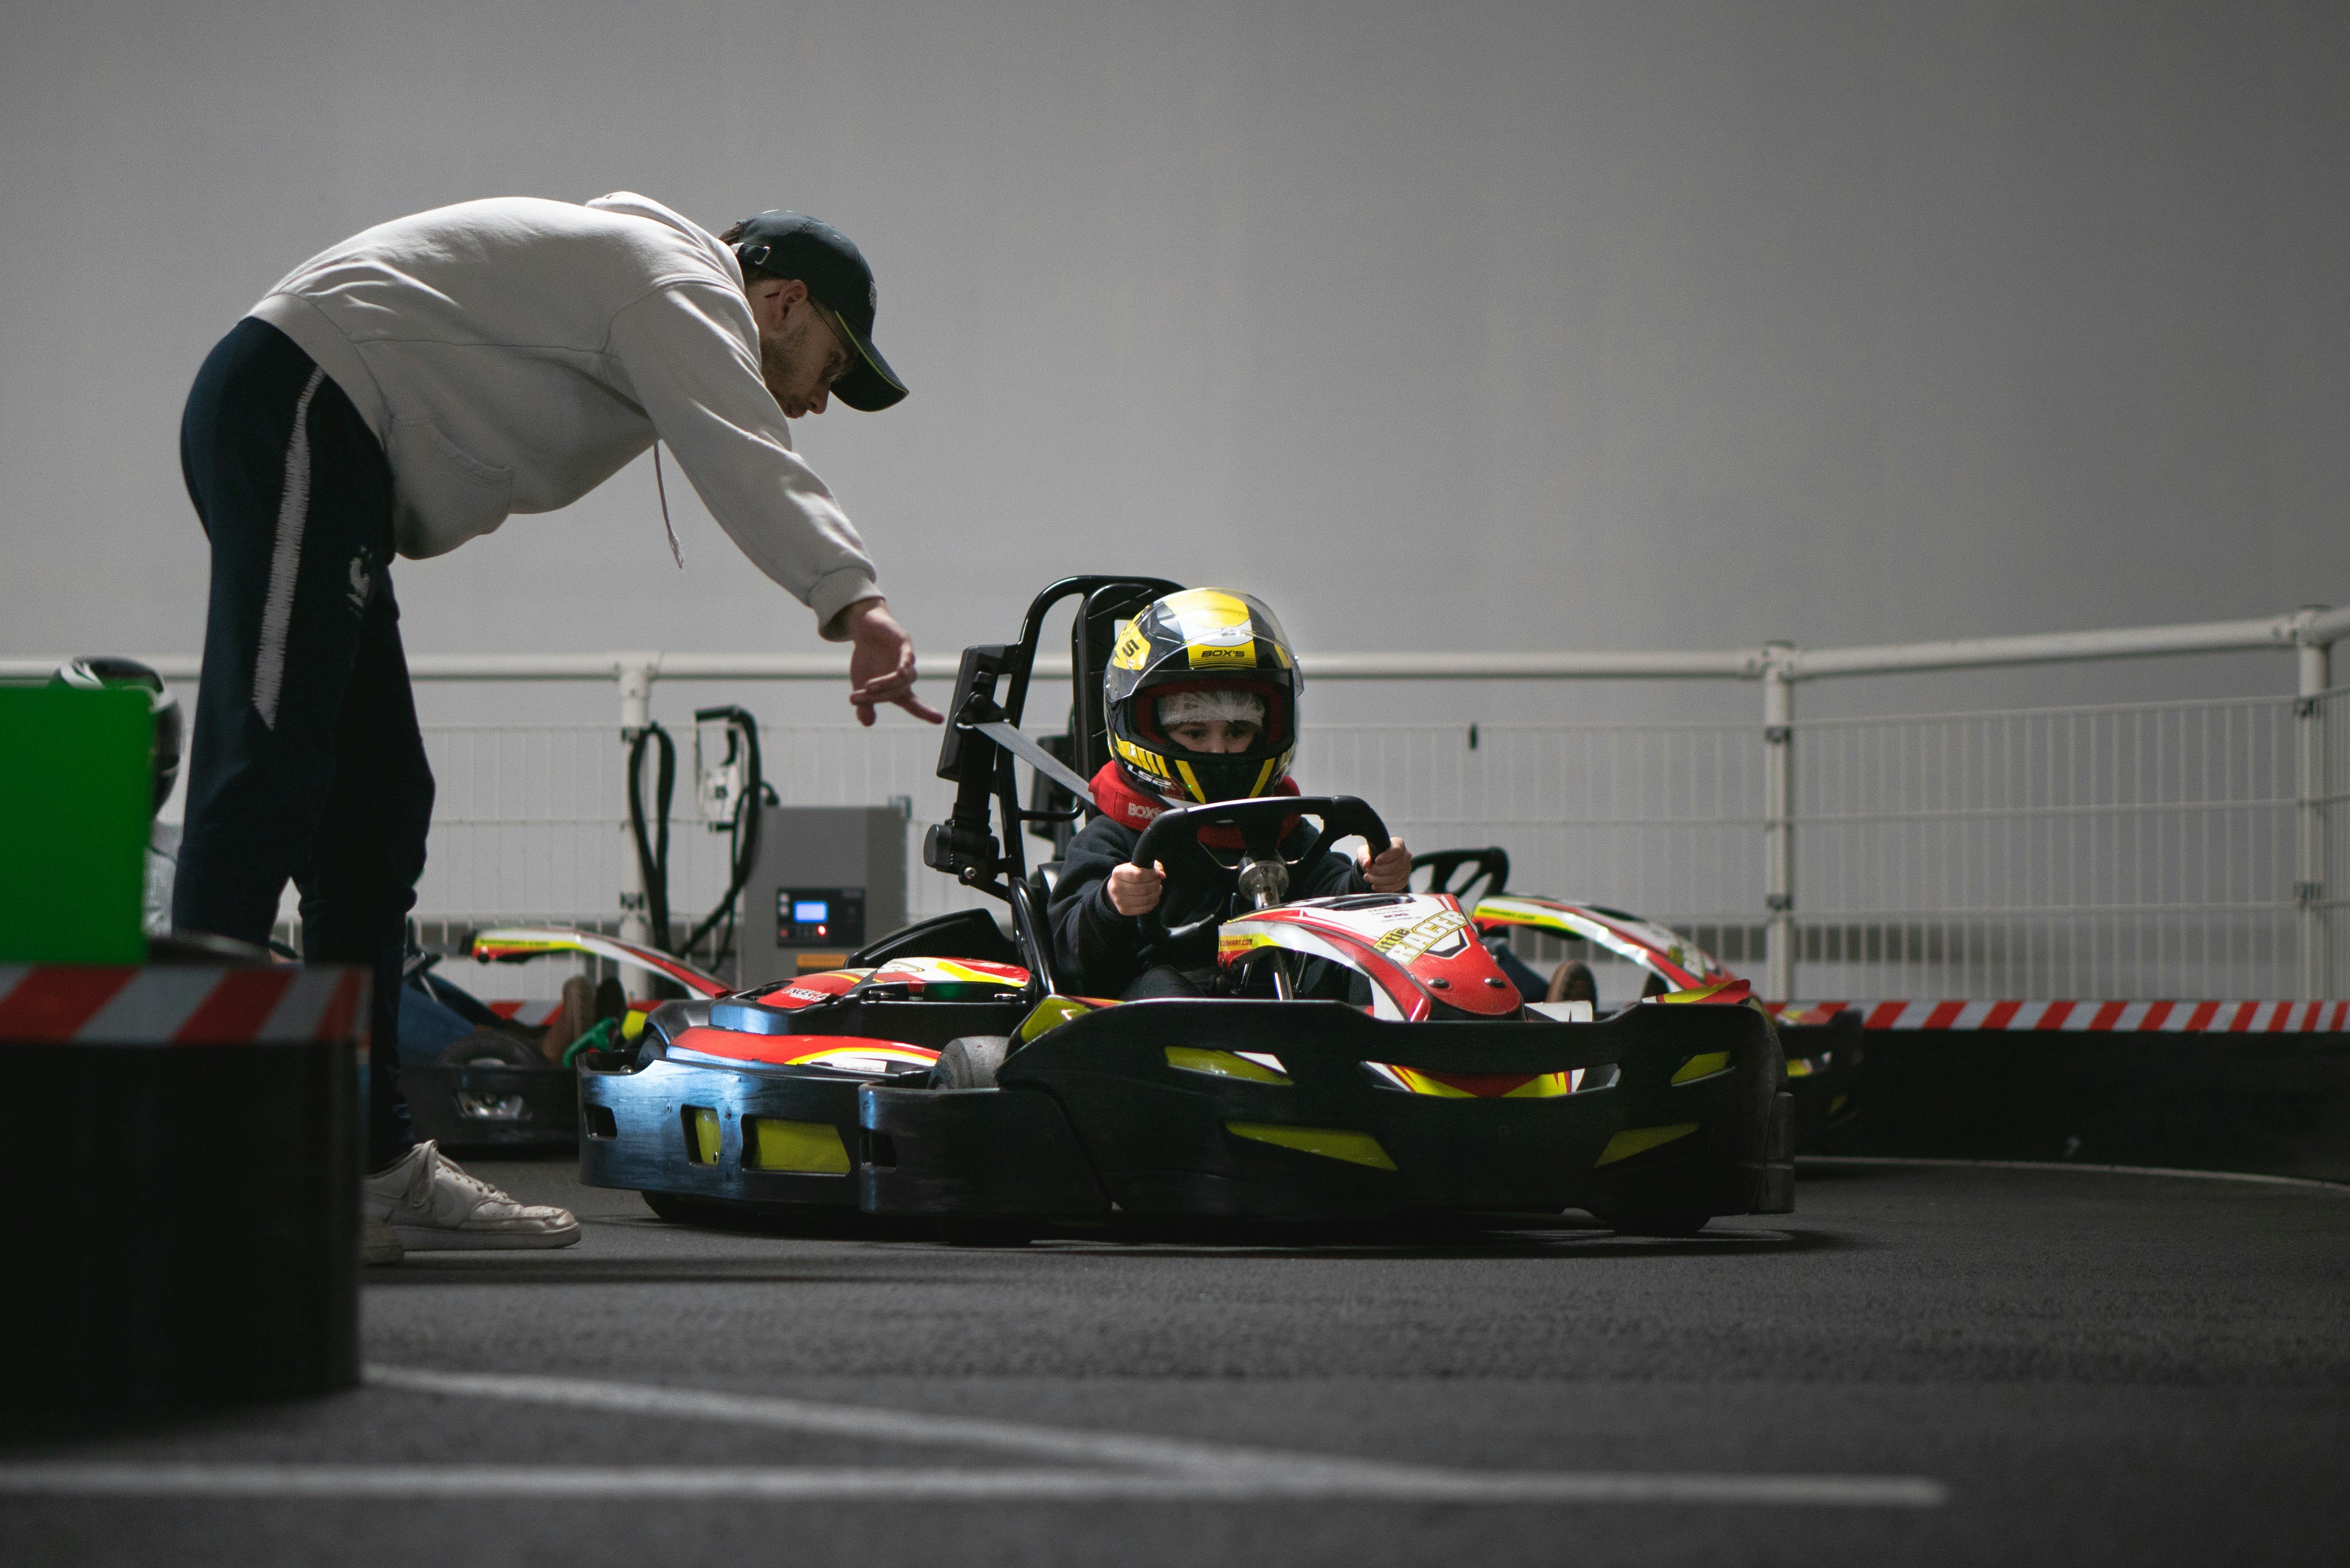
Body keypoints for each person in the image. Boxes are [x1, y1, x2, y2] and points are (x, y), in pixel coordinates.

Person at [173, 194, 943, 1263]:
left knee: (378, 810)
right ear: (782, 298)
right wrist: (858, 602)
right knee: (265, 769)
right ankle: (189, 1165)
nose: (820, 401)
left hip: (336, 440)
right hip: (300, 398)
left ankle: (368, 1159)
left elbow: (741, 432)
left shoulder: (645, 284)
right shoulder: (678, 282)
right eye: (830, 365)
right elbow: (748, 452)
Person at [1048, 588, 1413, 998]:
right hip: (1166, 1018)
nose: (1218, 751)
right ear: (1146, 730)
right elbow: (1070, 953)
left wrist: (1374, 878)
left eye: (1238, 732)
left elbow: (1334, 901)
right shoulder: (1114, 836)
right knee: (1161, 990)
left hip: (1276, 1008)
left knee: (1372, 974)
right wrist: (1111, 903)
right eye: (1195, 732)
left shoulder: (1280, 828)